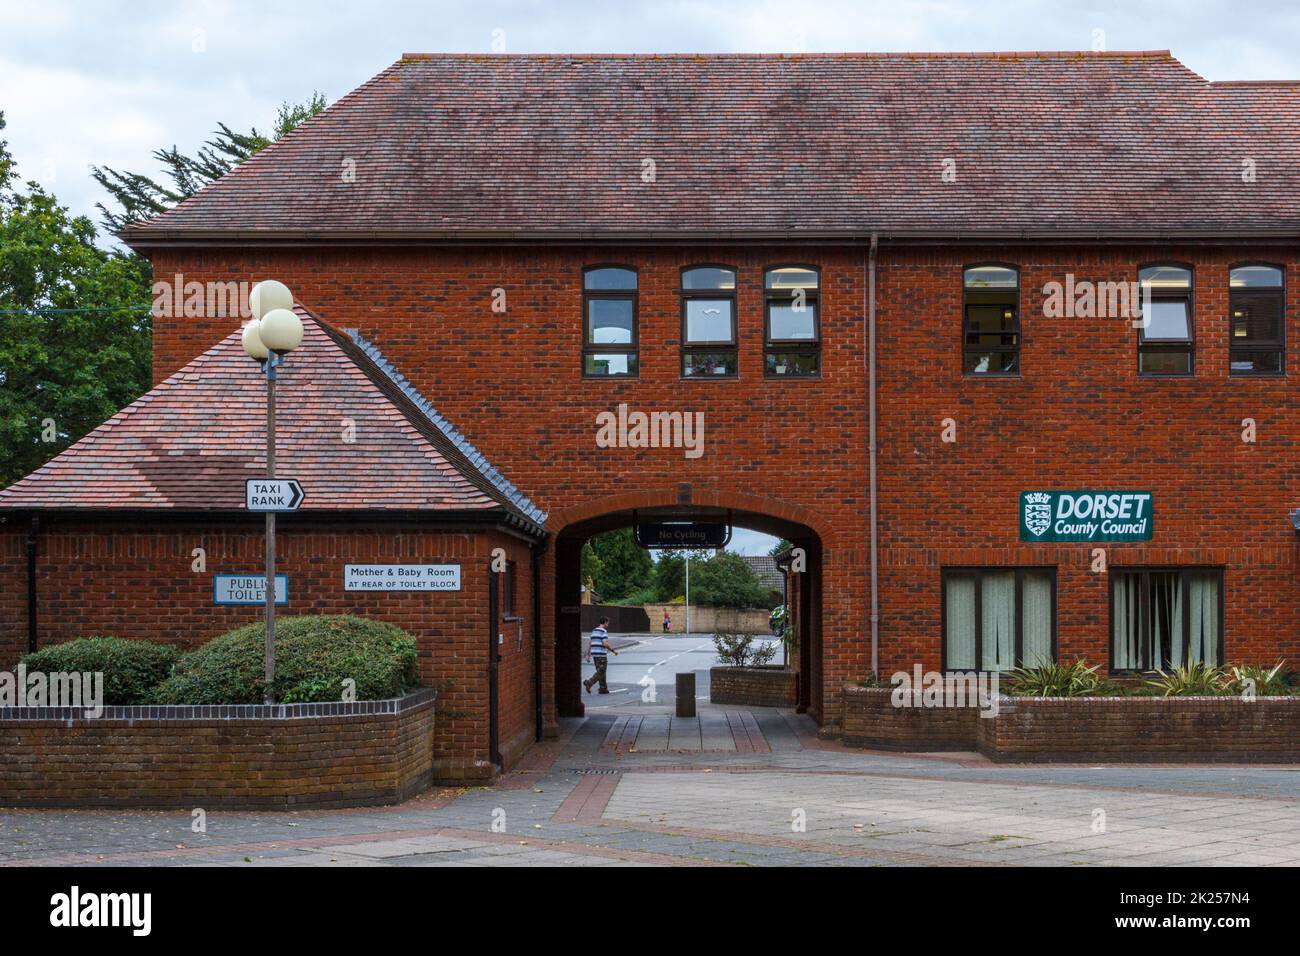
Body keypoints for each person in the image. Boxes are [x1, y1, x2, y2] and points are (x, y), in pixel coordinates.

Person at [583, 617, 618, 694]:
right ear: (605, 622)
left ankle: (603, 688)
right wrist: (612, 650)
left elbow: (590, 643)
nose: (608, 625)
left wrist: (588, 654)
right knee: (601, 671)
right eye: (608, 623)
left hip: (595, 654)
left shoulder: (594, 631)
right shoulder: (603, 631)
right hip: (601, 655)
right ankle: (589, 682)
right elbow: (605, 643)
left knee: (600, 671)